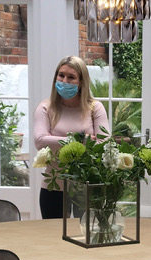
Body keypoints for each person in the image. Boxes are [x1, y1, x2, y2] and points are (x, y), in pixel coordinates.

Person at [33, 55, 109, 218]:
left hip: (87, 186)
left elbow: (104, 144)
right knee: (53, 239)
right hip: (53, 187)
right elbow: (40, 141)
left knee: (86, 237)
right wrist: (80, 139)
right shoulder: (45, 108)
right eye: (61, 75)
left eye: (71, 77)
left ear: (81, 82)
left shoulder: (95, 108)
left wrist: (55, 141)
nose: (64, 81)